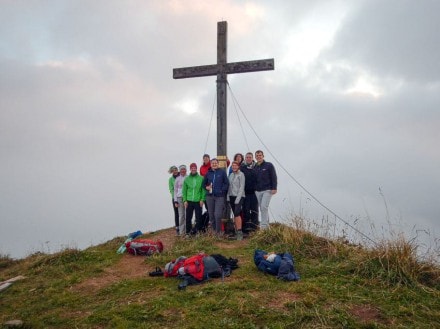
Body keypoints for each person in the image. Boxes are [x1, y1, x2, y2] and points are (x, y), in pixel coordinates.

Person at [202, 158, 229, 236]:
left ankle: (219, 232)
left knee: (218, 215)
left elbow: (226, 184)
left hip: (219, 197)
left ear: (218, 164)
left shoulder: (222, 172)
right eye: (212, 163)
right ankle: (214, 233)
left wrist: (221, 191)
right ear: (211, 164)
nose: (214, 164)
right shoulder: (208, 173)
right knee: (211, 215)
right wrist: (206, 187)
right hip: (209, 197)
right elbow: (203, 184)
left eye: (215, 163)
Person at [254, 150, 277, 230]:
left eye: (260, 155)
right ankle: (267, 227)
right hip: (257, 191)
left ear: (263, 156)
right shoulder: (255, 167)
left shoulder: (269, 165)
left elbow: (273, 176)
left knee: (264, 207)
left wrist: (274, 188)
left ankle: (263, 228)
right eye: (257, 155)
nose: (258, 157)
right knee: (263, 208)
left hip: (267, 190)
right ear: (255, 157)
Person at [182, 163, 206, 236]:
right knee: (188, 217)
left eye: (194, 168)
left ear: (196, 168)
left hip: (198, 201)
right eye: (192, 168)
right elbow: (184, 191)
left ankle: (198, 232)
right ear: (190, 169)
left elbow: (203, 190)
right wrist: (185, 200)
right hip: (189, 201)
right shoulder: (186, 179)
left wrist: (202, 199)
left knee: (198, 217)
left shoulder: (201, 178)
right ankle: (188, 232)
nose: (193, 169)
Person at [240, 152, 259, 233]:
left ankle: (254, 227)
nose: (248, 158)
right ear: (245, 158)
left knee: (254, 209)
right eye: (247, 157)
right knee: (246, 210)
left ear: (252, 158)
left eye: (250, 157)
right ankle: (246, 227)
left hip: (255, 192)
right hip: (245, 192)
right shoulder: (242, 168)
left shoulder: (257, 167)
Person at [227, 161, 245, 240]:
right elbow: (229, 186)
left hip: (239, 196)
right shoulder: (231, 175)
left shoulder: (241, 175)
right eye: (232, 166)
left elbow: (242, 187)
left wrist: (238, 198)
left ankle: (240, 232)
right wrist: (228, 196)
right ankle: (236, 232)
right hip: (231, 196)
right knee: (235, 214)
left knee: (237, 213)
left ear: (238, 166)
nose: (234, 167)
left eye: (235, 166)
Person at [174, 165, 187, 236]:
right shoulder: (177, 179)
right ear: (180, 170)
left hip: (187, 199)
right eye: (181, 169)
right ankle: (182, 232)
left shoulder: (188, 177)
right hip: (179, 198)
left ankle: (188, 230)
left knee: (187, 215)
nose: (183, 170)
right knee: (181, 215)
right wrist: (175, 201)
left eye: (184, 169)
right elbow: (175, 191)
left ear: (186, 170)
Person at [168, 165, 180, 235]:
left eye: (176, 170)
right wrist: (175, 196)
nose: (175, 171)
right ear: (172, 171)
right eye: (173, 170)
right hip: (175, 198)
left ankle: (183, 226)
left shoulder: (181, 176)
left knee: (183, 212)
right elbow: (171, 189)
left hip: (182, 197)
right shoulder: (170, 179)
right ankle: (177, 227)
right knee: (176, 213)